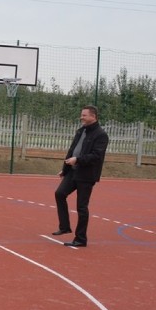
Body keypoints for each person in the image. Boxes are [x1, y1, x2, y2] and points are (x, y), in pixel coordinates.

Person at [52, 105, 109, 248]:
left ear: (93, 116)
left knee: (81, 207)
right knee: (60, 193)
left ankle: (81, 239)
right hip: (73, 171)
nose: (81, 117)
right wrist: (65, 169)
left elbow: (96, 156)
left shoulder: (101, 135)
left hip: (87, 175)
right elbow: (72, 150)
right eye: (81, 115)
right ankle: (64, 226)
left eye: (84, 115)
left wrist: (77, 160)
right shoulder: (81, 131)